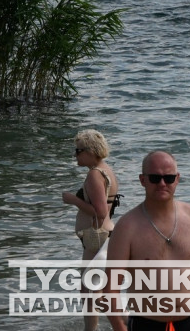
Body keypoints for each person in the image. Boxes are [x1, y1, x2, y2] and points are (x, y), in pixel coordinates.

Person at [106, 150, 190, 331]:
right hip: (147, 323)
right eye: (155, 178)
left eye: (168, 178)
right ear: (142, 180)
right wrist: (119, 327)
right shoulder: (127, 227)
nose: (162, 183)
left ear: (177, 179)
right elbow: (110, 287)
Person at [62, 130, 120, 331]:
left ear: (91, 151)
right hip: (104, 235)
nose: (75, 155)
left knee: (88, 289)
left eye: (78, 151)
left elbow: (100, 213)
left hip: (97, 236)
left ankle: (94, 329)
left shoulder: (95, 175)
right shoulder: (106, 170)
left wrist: (73, 200)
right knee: (99, 289)